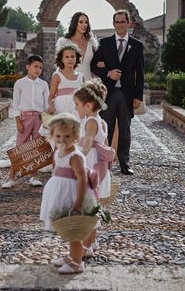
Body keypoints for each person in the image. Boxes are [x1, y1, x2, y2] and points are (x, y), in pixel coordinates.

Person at [40, 113, 97, 274]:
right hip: (60, 194)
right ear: (52, 135)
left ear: (75, 137)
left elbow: (82, 179)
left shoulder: (75, 156)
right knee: (67, 228)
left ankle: (77, 263)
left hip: (72, 194)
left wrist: (78, 203)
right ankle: (72, 256)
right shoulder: (59, 152)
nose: (61, 139)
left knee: (74, 230)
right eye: (58, 135)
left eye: (67, 136)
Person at [90, 10, 144, 176]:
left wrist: (138, 97)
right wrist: (107, 73)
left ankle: (124, 163)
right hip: (109, 92)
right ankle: (104, 162)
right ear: (113, 24)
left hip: (127, 94)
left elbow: (140, 73)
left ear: (129, 23)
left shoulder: (136, 45)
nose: (120, 25)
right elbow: (93, 65)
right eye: (117, 22)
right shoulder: (104, 43)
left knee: (125, 129)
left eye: (123, 22)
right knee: (106, 128)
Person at [74, 80, 114, 257]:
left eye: (77, 105)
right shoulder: (101, 121)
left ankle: (86, 247)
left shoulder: (90, 121)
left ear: (88, 105)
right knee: (93, 204)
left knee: (88, 207)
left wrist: (78, 158)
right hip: (100, 168)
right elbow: (103, 144)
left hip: (90, 168)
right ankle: (93, 241)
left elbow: (88, 143)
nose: (76, 108)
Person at [2, 54, 49, 189]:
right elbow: (16, 104)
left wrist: (46, 121)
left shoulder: (44, 84)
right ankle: (12, 177)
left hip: (39, 119)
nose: (38, 70)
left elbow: (46, 105)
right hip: (24, 118)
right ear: (28, 67)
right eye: (35, 66)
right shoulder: (20, 83)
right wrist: (18, 121)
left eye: (40, 68)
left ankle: (34, 177)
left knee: (36, 147)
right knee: (20, 147)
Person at [56, 12, 99, 82]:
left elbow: (94, 65)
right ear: (75, 23)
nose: (84, 25)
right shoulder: (64, 42)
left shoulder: (92, 44)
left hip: (88, 83)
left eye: (86, 22)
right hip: (69, 82)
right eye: (81, 22)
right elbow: (59, 65)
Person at [48, 43, 85, 118]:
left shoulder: (81, 77)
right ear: (62, 59)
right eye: (67, 57)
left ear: (76, 58)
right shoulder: (57, 76)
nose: (70, 59)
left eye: (72, 56)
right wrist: (51, 106)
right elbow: (51, 96)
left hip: (76, 111)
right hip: (60, 109)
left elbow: (84, 96)